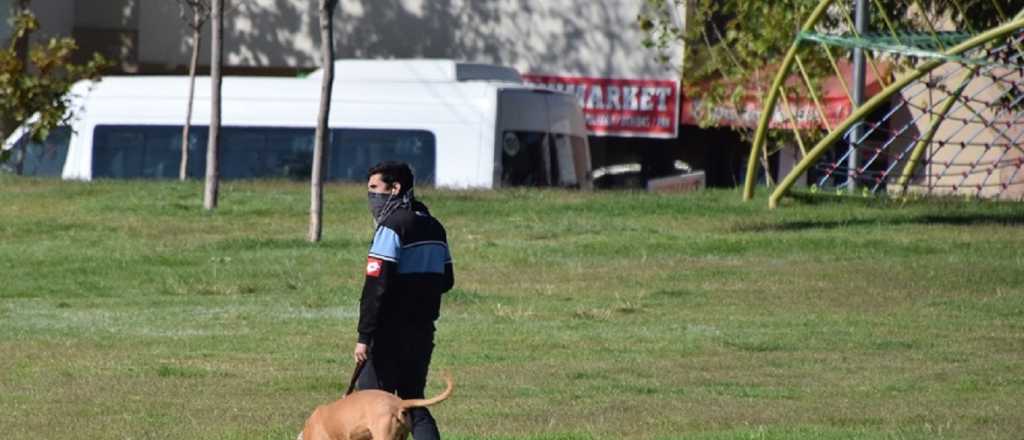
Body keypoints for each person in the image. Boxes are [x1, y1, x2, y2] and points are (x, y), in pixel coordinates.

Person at [353, 161, 454, 440]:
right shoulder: (435, 227)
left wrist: (364, 336)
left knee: (371, 407)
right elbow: (447, 280)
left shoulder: (391, 227)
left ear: (395, 188)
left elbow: (376, 286)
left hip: (387, 333)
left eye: (375, 188)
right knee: (412, 403)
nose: (371, 196)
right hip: (421, 331)